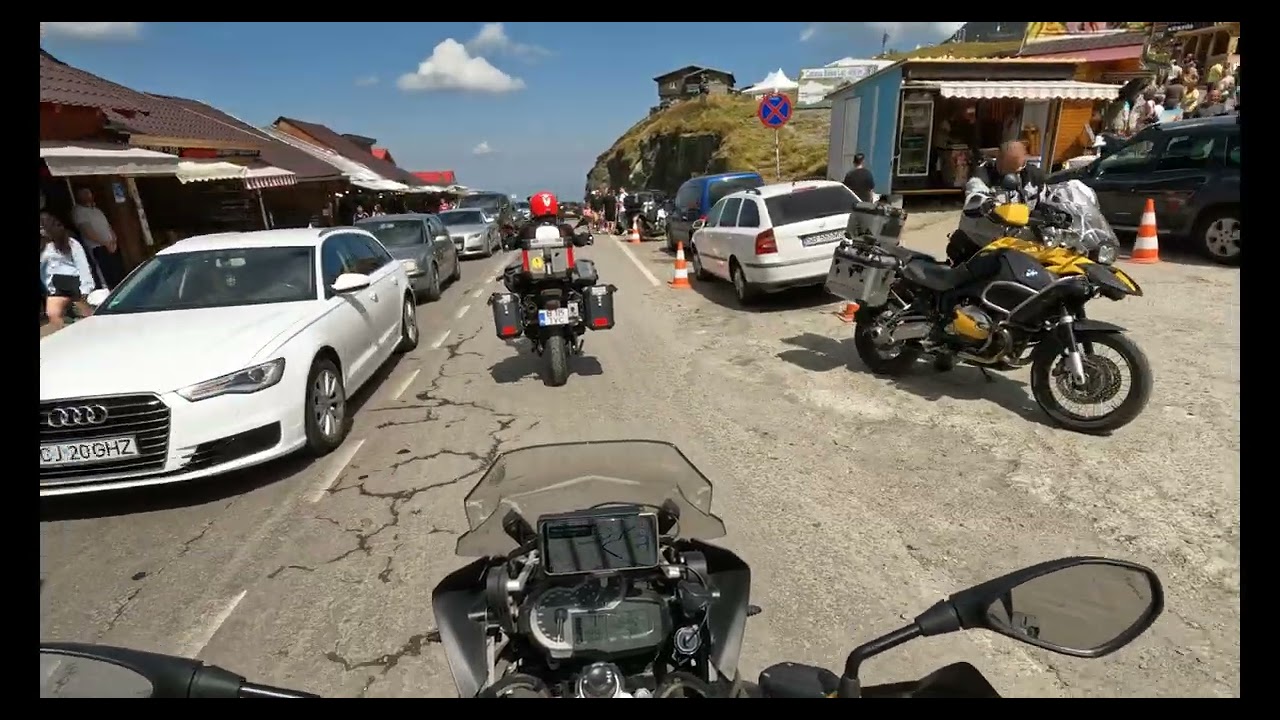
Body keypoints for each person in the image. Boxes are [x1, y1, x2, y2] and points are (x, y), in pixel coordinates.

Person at [952, 140, 1047, 265]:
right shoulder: (982, 174)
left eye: (1018, 169)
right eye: (1009, 170)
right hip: (978, 243)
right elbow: (974, 197)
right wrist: (990, 207)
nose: (1014, 175)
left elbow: (1047, 201)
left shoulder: (1034, 177)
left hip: (1015, 245)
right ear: (999, 157)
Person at [40, 211, 96, 330]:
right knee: (52, 313)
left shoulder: (69, 242)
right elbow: (44, 271)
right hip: (56, 286)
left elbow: (82, 264)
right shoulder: (43, 246)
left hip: (74, 281)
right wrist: (50, 287)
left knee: (86, 315)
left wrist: (86, 288)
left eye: (42, 227)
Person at [71, 187, 124, 289]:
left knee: (117, 272)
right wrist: (105, 243)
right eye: (83, 193)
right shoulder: (79, 211)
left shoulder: (97, 210)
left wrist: (113, 240)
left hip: (111, 245)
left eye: (88, 192)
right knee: (106, 274)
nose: (87, 195)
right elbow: (86, 231)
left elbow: (108, 226)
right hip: (98, 248)